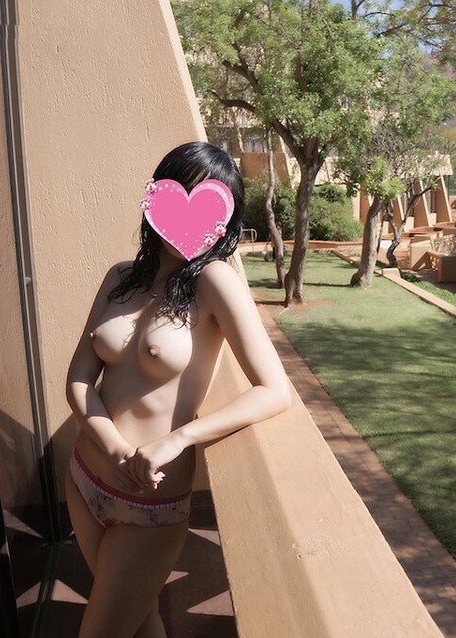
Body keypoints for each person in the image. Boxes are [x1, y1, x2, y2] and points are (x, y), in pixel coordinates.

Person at [64, 141, 292, 638]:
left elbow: (275, 390)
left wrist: (178, 439)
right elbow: (79, 379)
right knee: (139, 621)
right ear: (155, 198)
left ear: (223, 221)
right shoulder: (120, 277)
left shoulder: (215, 283)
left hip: (149, 505)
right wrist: (114, 448)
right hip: (84, 478)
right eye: (178, 193)